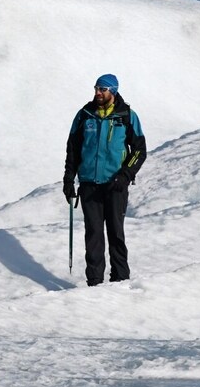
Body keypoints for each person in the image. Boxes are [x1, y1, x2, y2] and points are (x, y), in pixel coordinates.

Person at [63, 74, 147, 286]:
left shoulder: (126, 115)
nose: (98, 93)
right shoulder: (84, 115)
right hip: (89, 184)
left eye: (102, 89)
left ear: (113, 91)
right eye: (96, 88)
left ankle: (120, 279)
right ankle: (95, 281)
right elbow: (72, 149)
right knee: (93, 235)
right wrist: (68, 180)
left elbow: (139, 150)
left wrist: (125, 175)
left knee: (116, 233)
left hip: (115, 185)